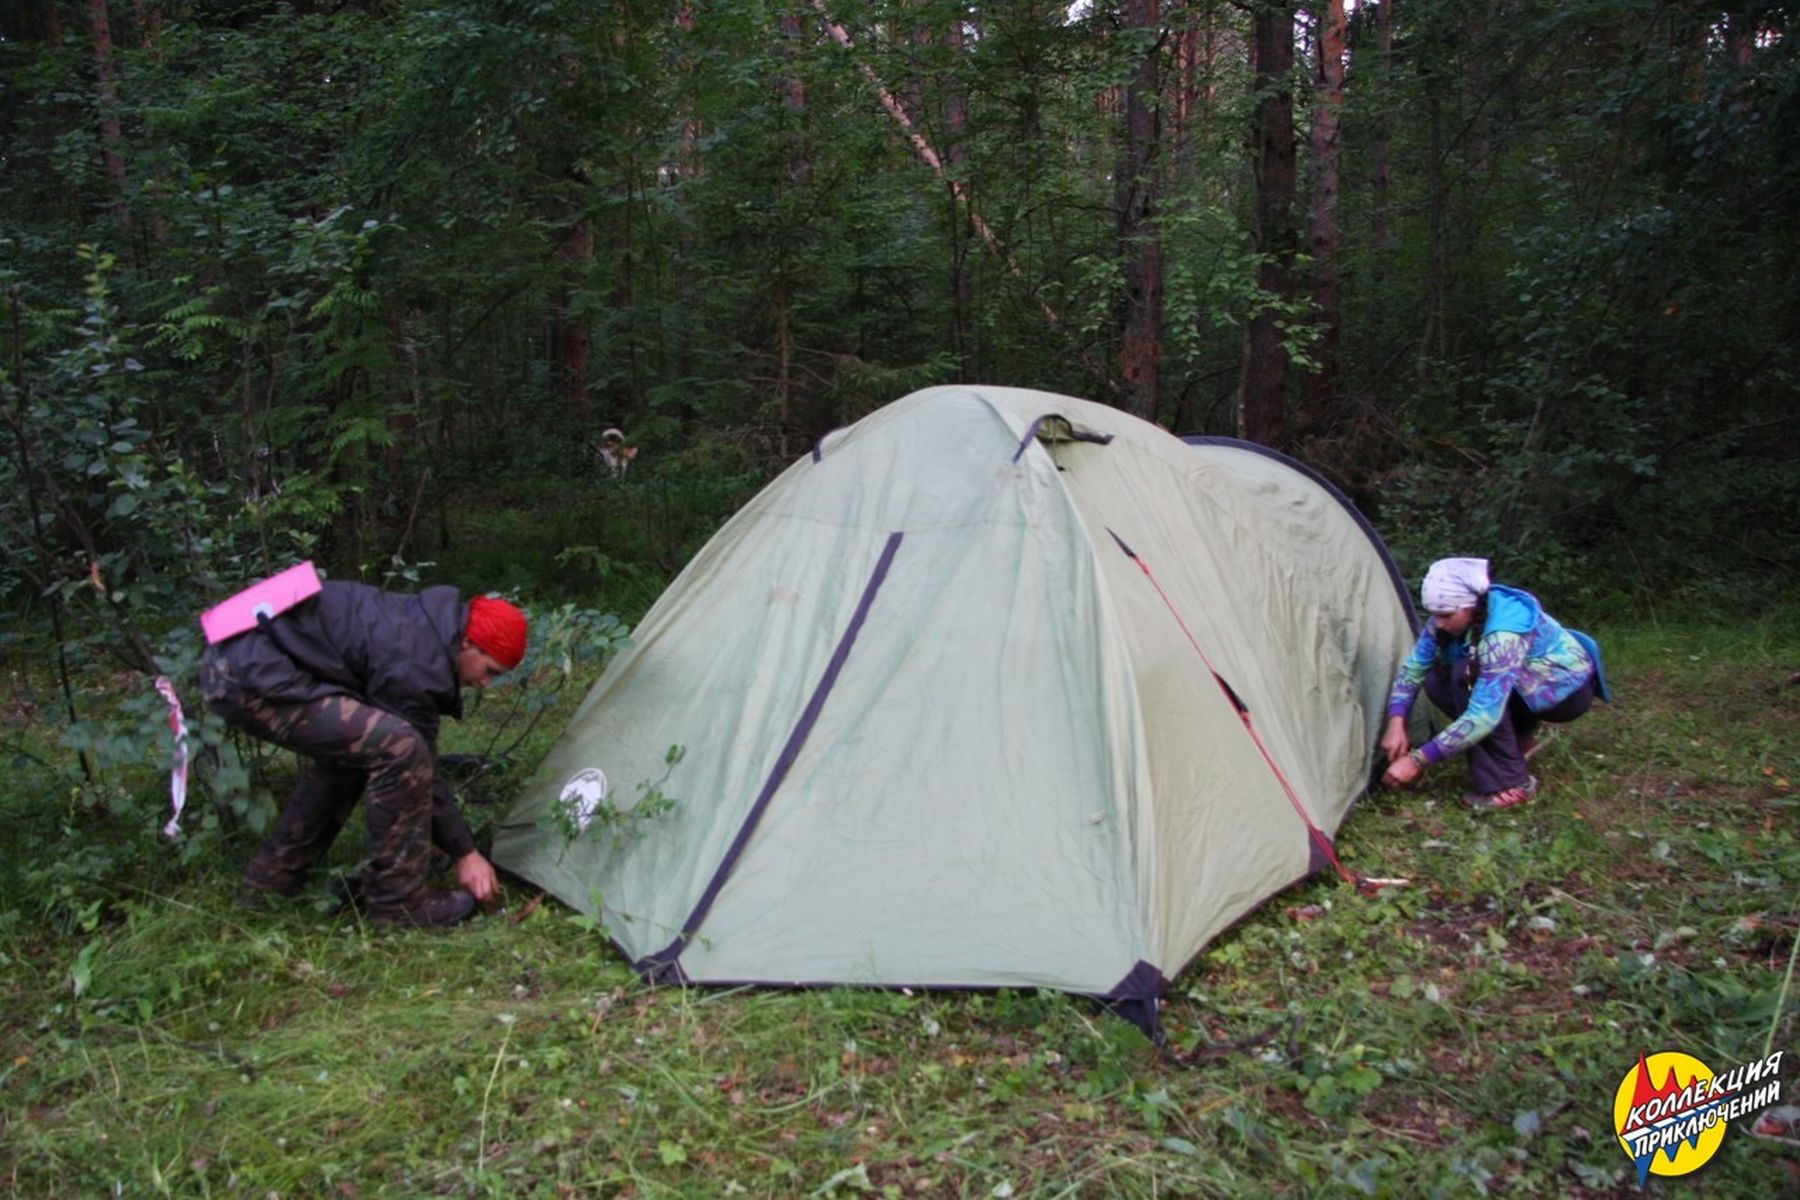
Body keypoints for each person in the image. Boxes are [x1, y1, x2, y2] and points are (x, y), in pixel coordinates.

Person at [199, 580, 528, 926]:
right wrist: (466, 852)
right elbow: (422, 767)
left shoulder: (424, 632)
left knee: (361, 746)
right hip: (247, 675)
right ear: (468, 643)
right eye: (489, 670)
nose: (485, 683)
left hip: (243, 661)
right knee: (399, 747)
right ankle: (396, 902)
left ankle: (270, 882)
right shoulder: (418, 663)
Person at [1380, 557, 1607, 811]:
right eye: (1434, 615)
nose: (1439, 623)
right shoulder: (1445, 621)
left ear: (1470, 607)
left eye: (1446, 615)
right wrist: (1396, 721)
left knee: (1466, 677)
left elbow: (1482, 716)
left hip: (1565, 694)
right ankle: (1513, 744)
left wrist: (1417, 760)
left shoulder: (1502, 635)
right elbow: (1413, 670)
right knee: (1438, 681)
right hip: (1524, 686)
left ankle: (1512, 784)